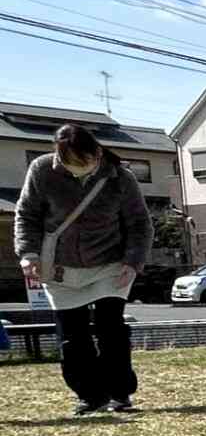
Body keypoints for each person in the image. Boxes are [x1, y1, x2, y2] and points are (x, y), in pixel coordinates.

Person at [13, 124, 152, 416]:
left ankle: (119, 393)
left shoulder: (120, 177)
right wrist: (28, 253)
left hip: (110, 263)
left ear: (97, 153)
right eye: (70, 164)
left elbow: (140, 224)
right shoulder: (41, 171)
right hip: (60, 266)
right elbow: (26, 215)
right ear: (58, 157)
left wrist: (132, 261)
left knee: (110, 330)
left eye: (84, 162)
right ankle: (90, 396)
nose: (79, 169)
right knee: (72, 336)